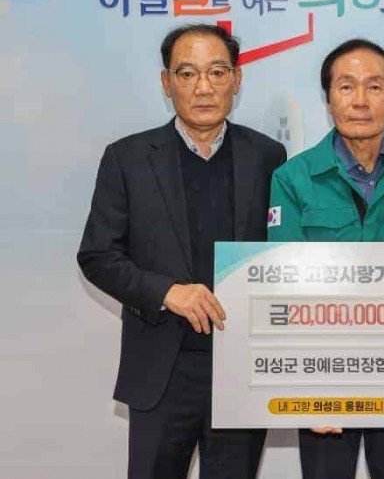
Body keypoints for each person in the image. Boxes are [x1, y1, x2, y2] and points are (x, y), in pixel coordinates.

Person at [77, 24, 286, 479]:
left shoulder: (269, 156)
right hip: (162, 368)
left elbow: (284, 253)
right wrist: (166, 292)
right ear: (166, 83)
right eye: (187, 74)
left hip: (242, 366)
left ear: (236, 79)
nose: (203, 87)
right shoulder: (128, 158)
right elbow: (97, 256)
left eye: (217, 72)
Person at [268, 39, 384, 479]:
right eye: (346, 87)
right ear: (328, 100)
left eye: (374, 87)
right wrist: (303, 386)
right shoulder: (293, 177)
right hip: (322, 376)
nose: (360, 100)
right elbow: (281, 284)